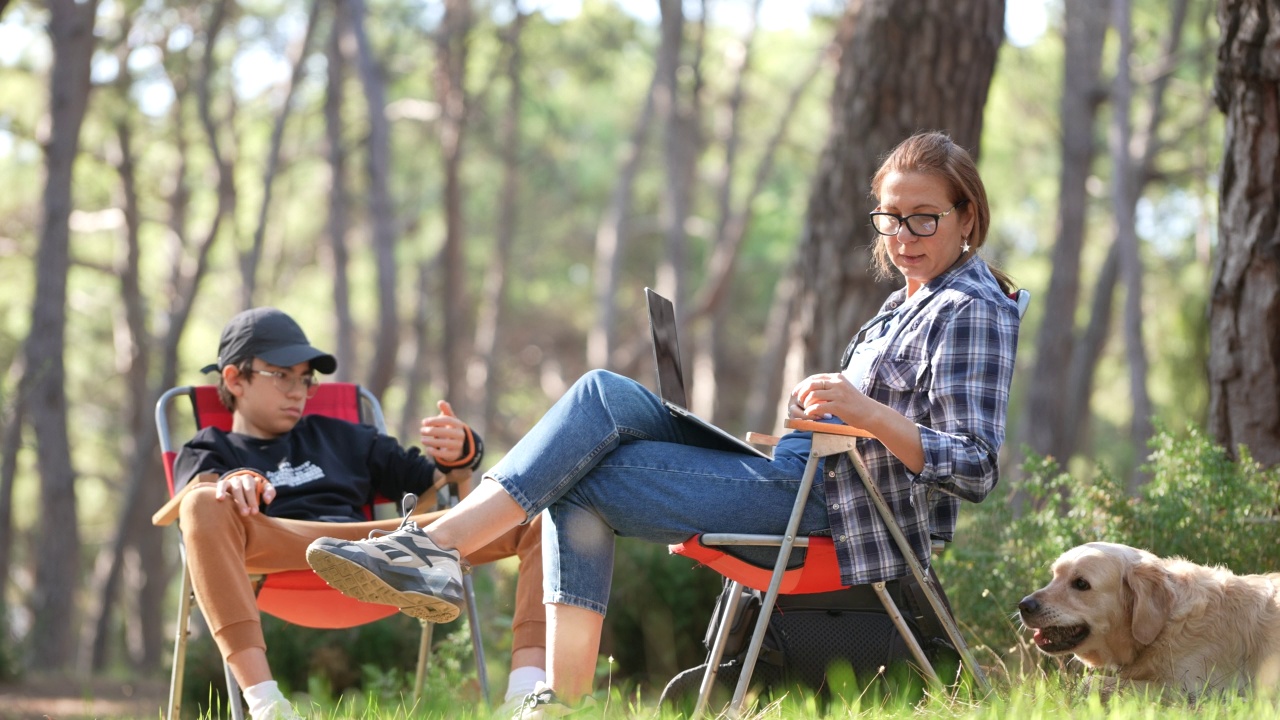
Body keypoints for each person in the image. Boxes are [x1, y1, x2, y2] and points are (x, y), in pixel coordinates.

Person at [305, 130, 1022, 717]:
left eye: (923, 217)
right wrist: (817, 420)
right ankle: (548, 681)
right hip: (797, 480)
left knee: (583, 451)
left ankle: (446, 558)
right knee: (599, 404)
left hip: (832, 516)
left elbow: (974, 466)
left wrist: (863, 411)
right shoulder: (906, 303)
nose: (902, 236)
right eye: (889, 219)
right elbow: (868, 429)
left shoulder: (971, 308)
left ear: (968, 217)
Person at [172, 307, 547, 720]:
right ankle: (267, 706)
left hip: (373, 551)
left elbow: (437, 488)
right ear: (234, 379)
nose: (297, 390)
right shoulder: (209, 446)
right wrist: (231, 481)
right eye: (281, 375)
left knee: (533, 510)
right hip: (277, 544)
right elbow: (200, 498)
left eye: (306, 378)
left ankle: (528, 695)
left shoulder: (344, 436)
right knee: (200, 501)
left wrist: (460, 454)